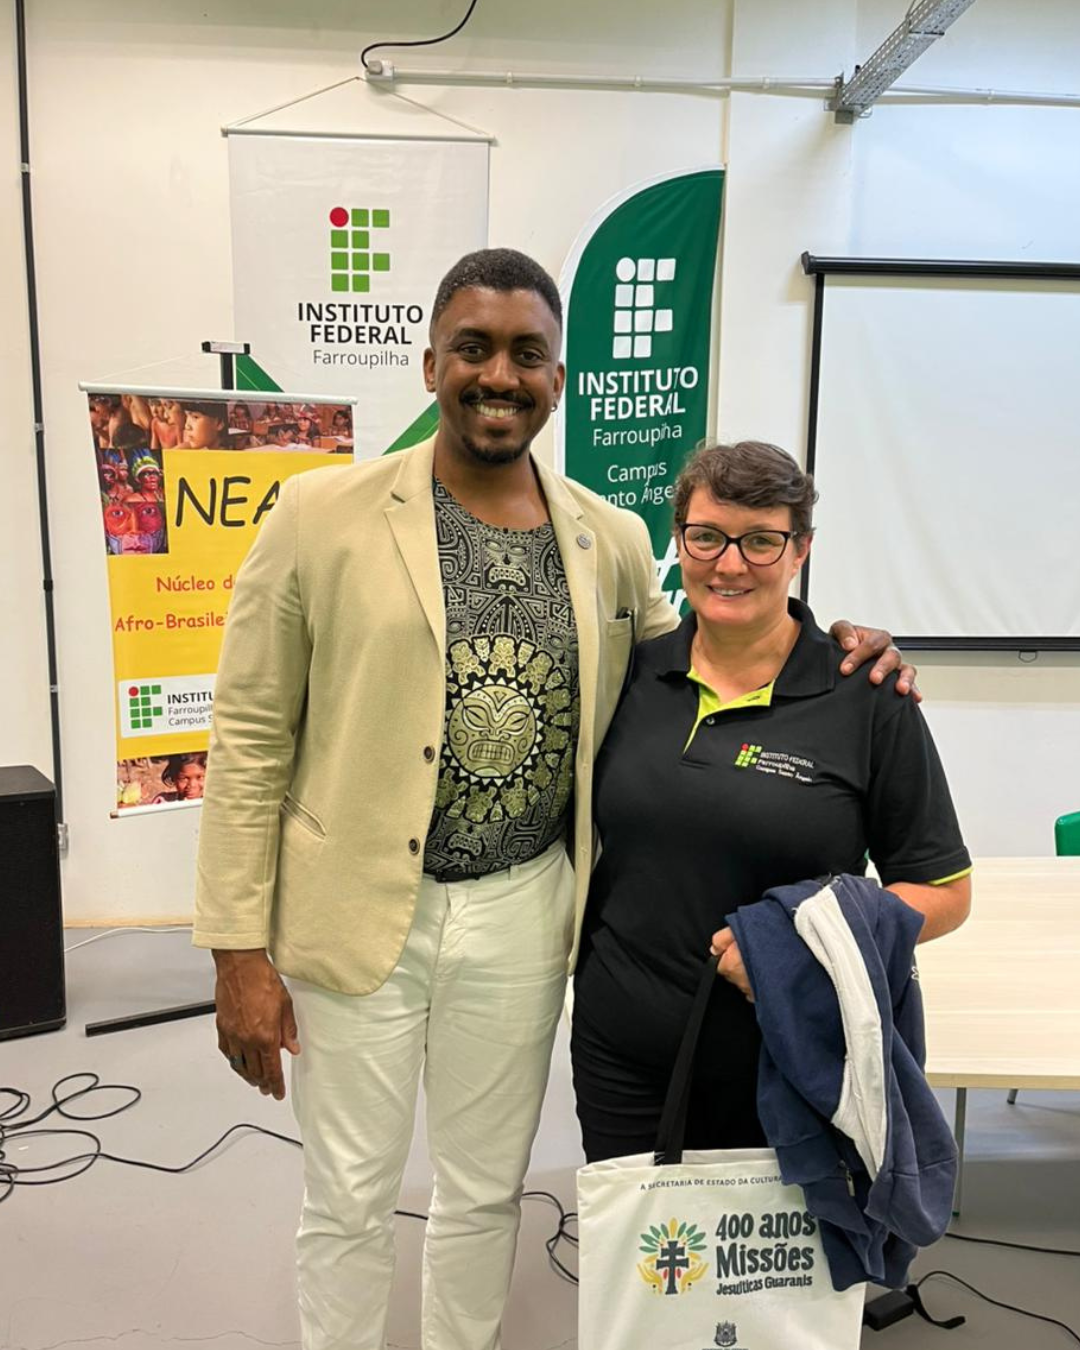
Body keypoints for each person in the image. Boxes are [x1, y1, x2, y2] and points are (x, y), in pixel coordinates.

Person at [193, 251, 912, 1350]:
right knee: (346, 1199)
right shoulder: (318, 514)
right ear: (431, 363)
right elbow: (248, 736)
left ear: (558, 378)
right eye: (473, 347)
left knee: (486, 1194)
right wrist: (236, 949)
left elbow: (706, 657)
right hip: (355, 909)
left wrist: (841, 640)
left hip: (524, 911)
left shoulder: (607, 538)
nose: (499, 373)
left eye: (526, 353)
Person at [570, 440, 972, 1165]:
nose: (730, 565)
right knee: (632, 1240)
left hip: (792, 1060)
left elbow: (943, 892)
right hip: (621, 1055)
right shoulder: (629, 674)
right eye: (707, 537)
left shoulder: (867, 698)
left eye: (761, 541)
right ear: (679, 541)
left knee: (786, 1246)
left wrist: (799, 942)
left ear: (801, 550)